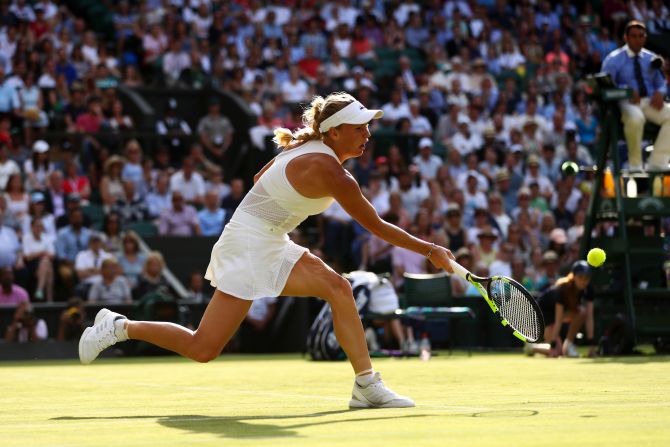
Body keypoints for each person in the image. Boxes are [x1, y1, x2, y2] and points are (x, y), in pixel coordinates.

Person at [78, 92, 456, 409]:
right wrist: (431, 249)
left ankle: (366, 386)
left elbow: (262, 178)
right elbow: (375, 225)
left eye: (367, 126)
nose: (367, 134)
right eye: (359, 127)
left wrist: (280, 213)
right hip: (246, 244)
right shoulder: (330, 171)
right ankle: (119, 327)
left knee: (339, 289)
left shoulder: (309, 148)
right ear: (335, 132)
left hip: (268, 238)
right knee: (203, 347)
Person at [601, 20, 670, 171]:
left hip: (649, 101)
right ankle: (635, 165)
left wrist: (660, 91)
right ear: (626, 38)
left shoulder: (651, 58)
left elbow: (661, 82)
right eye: (633, 36)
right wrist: (625, 90)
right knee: (635, 118)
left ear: (645, 38)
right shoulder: (614, 59)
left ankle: (657, 162)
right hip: (627, 103)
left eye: (641, 36)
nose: (637, 39)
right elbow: (605, 84)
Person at [530, 260, 595, 358]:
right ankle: (532, 347)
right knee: (557, 352)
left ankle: (568, 345)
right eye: (580, 277)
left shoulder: (588, 288)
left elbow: (589, 317)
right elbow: (558, 320)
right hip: (541, 316)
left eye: (587, 278)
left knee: (582, 312)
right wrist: (553, 344)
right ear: (573, 276)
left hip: (559, 315)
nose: (584, 281)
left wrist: (591, 345)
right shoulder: (563, 289)